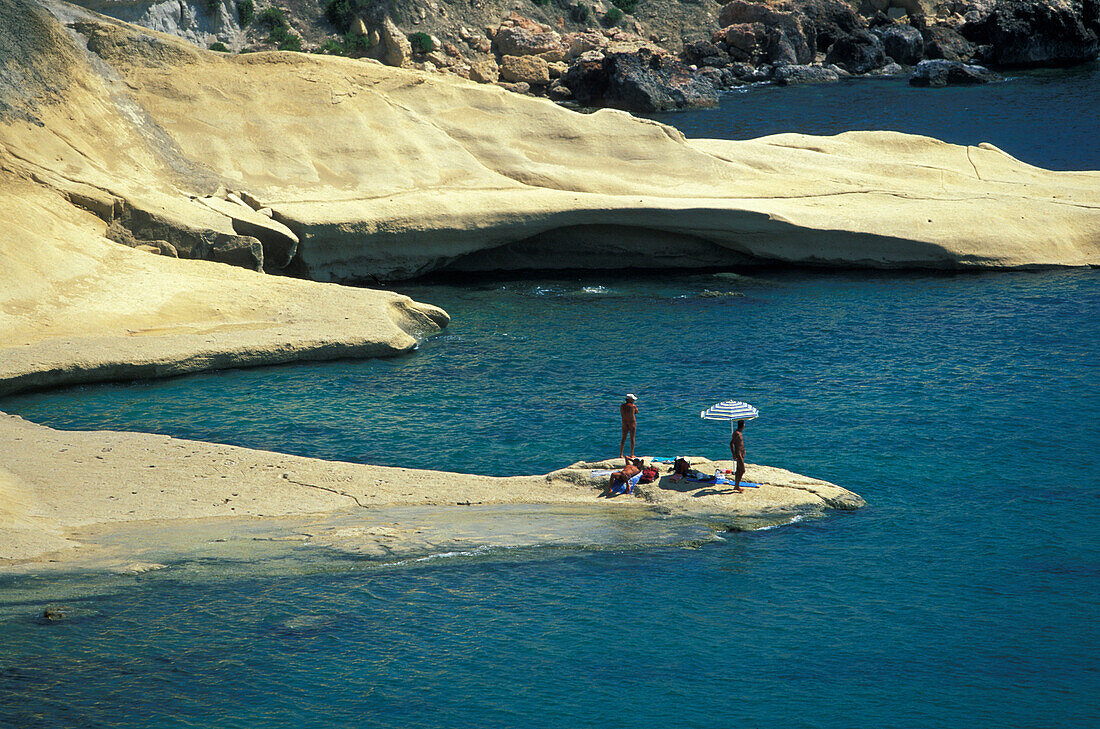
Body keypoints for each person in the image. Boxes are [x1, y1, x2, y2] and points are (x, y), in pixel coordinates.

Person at [619, 393, 638, 459]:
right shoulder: (633, 406)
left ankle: (621, 454)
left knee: (623, 438)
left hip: (624, 422)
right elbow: (636, 412)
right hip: (631, 422)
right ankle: (632, 454)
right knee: (632, 438)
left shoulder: (622, 406)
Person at [730, 419, 747, 493]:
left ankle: (736, 486)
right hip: (739, 454)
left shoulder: (739, 433)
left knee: (738, 470)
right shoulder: (737, 433)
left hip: (741, 453)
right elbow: (731, 443)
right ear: (743, 425)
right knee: (742, 470)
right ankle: (737, 485)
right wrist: (734, 454)